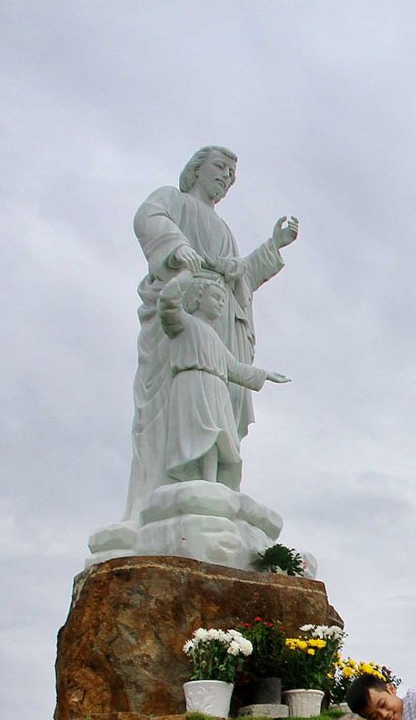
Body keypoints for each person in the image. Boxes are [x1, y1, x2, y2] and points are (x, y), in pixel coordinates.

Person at [124, 145, 300, 522]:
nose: (225, 178)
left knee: (221, 404)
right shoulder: (173, 200)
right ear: (197, 169)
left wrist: (273, 247)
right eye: (220, 168)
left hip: (221, 322)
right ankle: (164, 496)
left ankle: (214, 491)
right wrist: (177, 248)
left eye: (231, 176)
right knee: (179, 401)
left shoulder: (223, 229)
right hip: (186, 308)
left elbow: (241, 279)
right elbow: (148, 217)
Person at [157, 270, 291, 485]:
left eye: (222, 299)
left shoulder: (215, 338)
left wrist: (265, 375)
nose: (221, 304)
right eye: (215, 298)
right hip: (193, 385)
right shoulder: (184, 323)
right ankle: (193, 481)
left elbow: (234, 368)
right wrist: (184, 278)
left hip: (216, 389)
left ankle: (210, 482)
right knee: (200, 434)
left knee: (219, 437)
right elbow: (167, 304)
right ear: (198, 298)